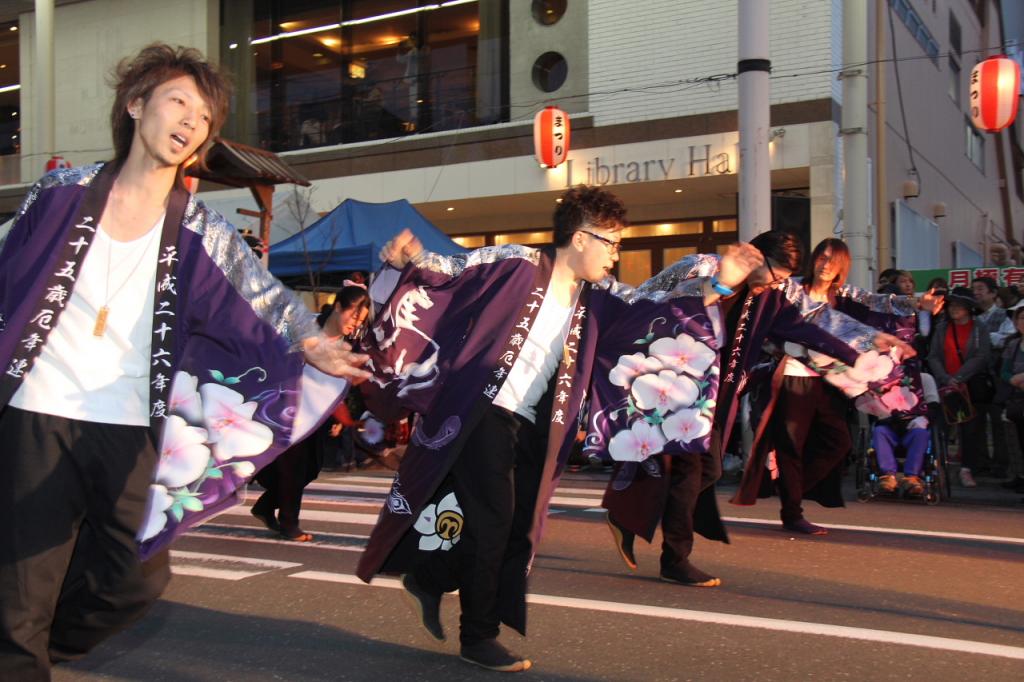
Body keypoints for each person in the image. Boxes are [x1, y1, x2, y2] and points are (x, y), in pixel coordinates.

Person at [0, 44, 367, 679]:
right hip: (38, 408)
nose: (191, 123)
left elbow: (260, 297)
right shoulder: (62, 193)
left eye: (204, 118)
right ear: (136, 105)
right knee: (23, 581)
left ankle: (39, 644)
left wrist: (313, 342)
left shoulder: (200, 227)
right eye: (179, 102)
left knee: (134, 578)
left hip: (128, 423)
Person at [357, 185, 632, 672]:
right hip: (482, 408)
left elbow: (650, 303)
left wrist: (717, 285)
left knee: (511, 523)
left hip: (530, 425)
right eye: (611, 242)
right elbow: (454, 272)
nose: (616, 255)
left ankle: (431, 575)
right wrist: (414, 258)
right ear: (581, 237)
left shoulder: (597, 298)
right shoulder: (518, 263)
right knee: (495, 520)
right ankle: (476, 637)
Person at [598, 233, 915, 584]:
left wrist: (863, 347)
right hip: (677, 388)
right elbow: (648, 299)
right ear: (755, 257)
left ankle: (628, 515)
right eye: (774, 275)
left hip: (719, 397)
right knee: (690, 472)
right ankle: (674, 558)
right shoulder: (701, 267)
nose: (777, 284)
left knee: (709, 472)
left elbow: (808, 330)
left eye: (782, 279)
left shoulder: (771, 298)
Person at [733, 239, 935, 534]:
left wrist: (917, 302)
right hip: (791, 377)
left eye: (834, 260)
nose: (826, 264)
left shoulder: (845, 295)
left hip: (832, 382)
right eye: (822, 257)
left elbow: (880, 302)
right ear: (813, 259)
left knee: (838, 442)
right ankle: (792, 511)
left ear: (842, 266)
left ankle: (790, 489)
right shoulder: (791, 288)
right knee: (790, 445)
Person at [251, 285, 370, 540]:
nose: (355, 324)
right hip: (286, 409)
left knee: (311, 468)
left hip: (316, 414)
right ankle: (289, 524)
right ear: (338, 307)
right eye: (354, 316)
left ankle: (265, 506)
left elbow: (339, 384)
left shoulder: (348, 346)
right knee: (293, 467)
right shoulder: (306, 328)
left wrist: (345, 417)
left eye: (361, 321)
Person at [927, 287, 992, 487]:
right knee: (941, 427)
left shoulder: (979, 328)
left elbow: (982, 356)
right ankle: (940, 468)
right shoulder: (942, 327)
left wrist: (961, 376)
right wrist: (946, 378)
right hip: (945, 384)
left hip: (970, 384)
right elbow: (933, 356)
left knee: (971, 429)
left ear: (969, 308)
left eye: (959, 305)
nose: (954, 309)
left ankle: (967, 469)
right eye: (952, 305)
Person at [972, 276, 1009, 477]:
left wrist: (984, 339)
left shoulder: (1004, 315)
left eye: (980, 289)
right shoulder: (973, 316)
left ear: (993, 293)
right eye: (974, 289)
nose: (976, 293)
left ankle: (1002, 464)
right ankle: (981, 462)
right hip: (976, 376)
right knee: (975, 421)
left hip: (996, 377)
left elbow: (1007, 338)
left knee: (998, 422)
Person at [999, 305, 1024, 493]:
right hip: (1017, 397)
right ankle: (1020, 476)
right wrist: (1013, 379)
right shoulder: (1013, 344)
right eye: (1020, 318)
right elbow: (1004, 370)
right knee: (1018, 441)